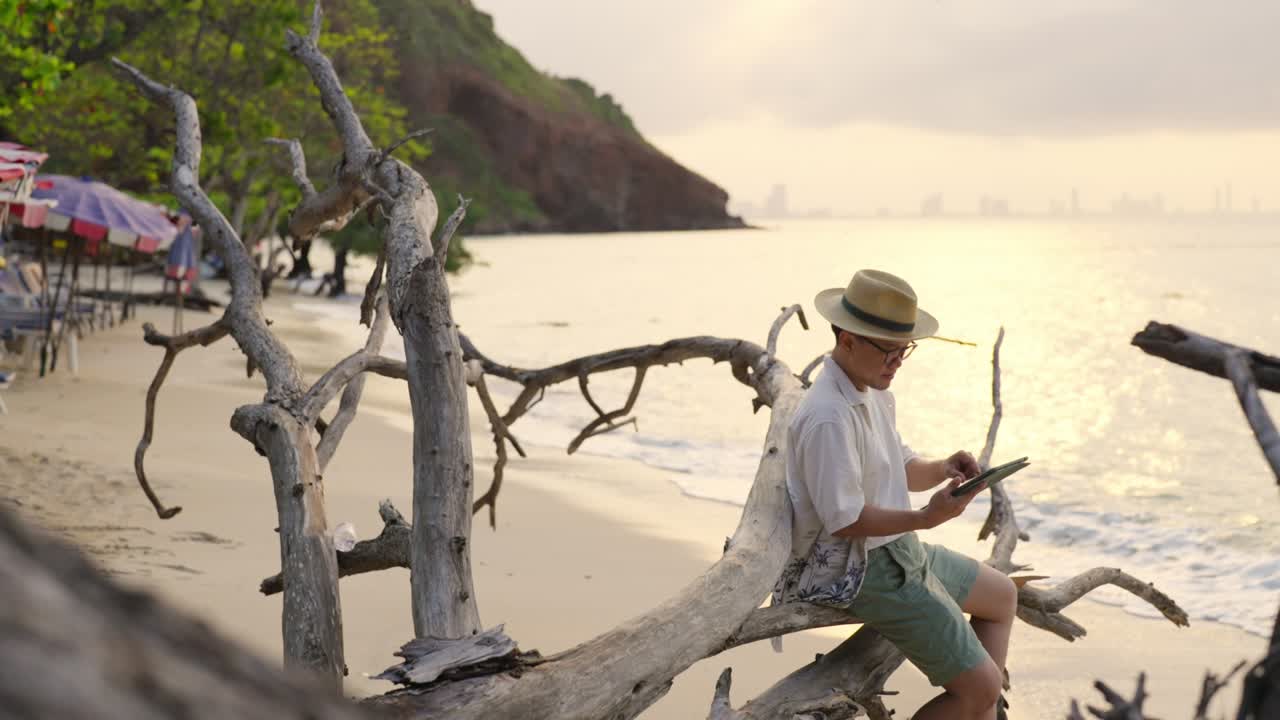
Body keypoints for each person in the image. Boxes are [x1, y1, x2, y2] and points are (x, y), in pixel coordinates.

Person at [772, 269, 1017, 720]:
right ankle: (978, 701)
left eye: (905, 349)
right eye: (889, 350)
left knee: (1001, 596)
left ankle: (978, 707)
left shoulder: (872, 391)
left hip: (897, 550)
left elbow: (902, 467)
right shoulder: (828, 416)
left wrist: (943, 468)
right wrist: (925, 517)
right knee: (981, 688)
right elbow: (845, 520)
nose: (898, 361)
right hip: (857, 568)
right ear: (848, 340)